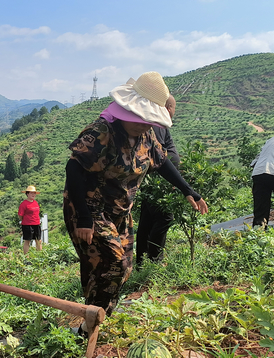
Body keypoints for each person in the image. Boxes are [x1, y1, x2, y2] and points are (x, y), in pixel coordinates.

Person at [63, 72, 208, 323]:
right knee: (110, 263)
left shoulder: (146, 135)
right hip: (90, 209)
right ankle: (92, 319)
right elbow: (73, 168)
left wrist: (188, 190)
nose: (145, 125)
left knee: (124, 267)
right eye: (141, 119)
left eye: (150, 120)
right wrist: (85, 219)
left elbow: (162, 163)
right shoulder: (101, 133)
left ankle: (99, 317)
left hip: (121, 210)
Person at [135, 95, 181, 266]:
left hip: (151, 181)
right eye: (174, 110)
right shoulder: (158, 123)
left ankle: (141, 260)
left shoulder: (155, 124)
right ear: (169, 108)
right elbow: (158, 155)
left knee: (148, 219)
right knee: (164, 218)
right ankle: (154, 260)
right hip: (158, 181)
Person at [19, 185, 42, 254]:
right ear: (27, 194)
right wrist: (25, 221)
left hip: (37, 224)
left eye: (34, 193)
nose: (33, 194)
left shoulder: (35, 203)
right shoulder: (24, 204)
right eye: (31, 193)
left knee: (38, 240)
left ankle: (39, 255)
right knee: (27, 241)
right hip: (27, 225)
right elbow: (20, 215)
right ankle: (26, 257)